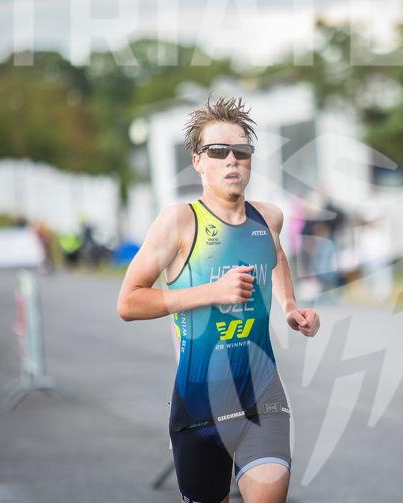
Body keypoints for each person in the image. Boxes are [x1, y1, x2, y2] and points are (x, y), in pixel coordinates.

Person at [117, 96, 320, 503]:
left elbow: (276, 256)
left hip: (261, 398)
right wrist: (212, 292)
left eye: (241, 151)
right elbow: (129, 303)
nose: (232, 160)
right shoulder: (179, 222)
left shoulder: (268, 218)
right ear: (198, 161)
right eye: (218, 151)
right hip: (198, 407)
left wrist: (289, 307)